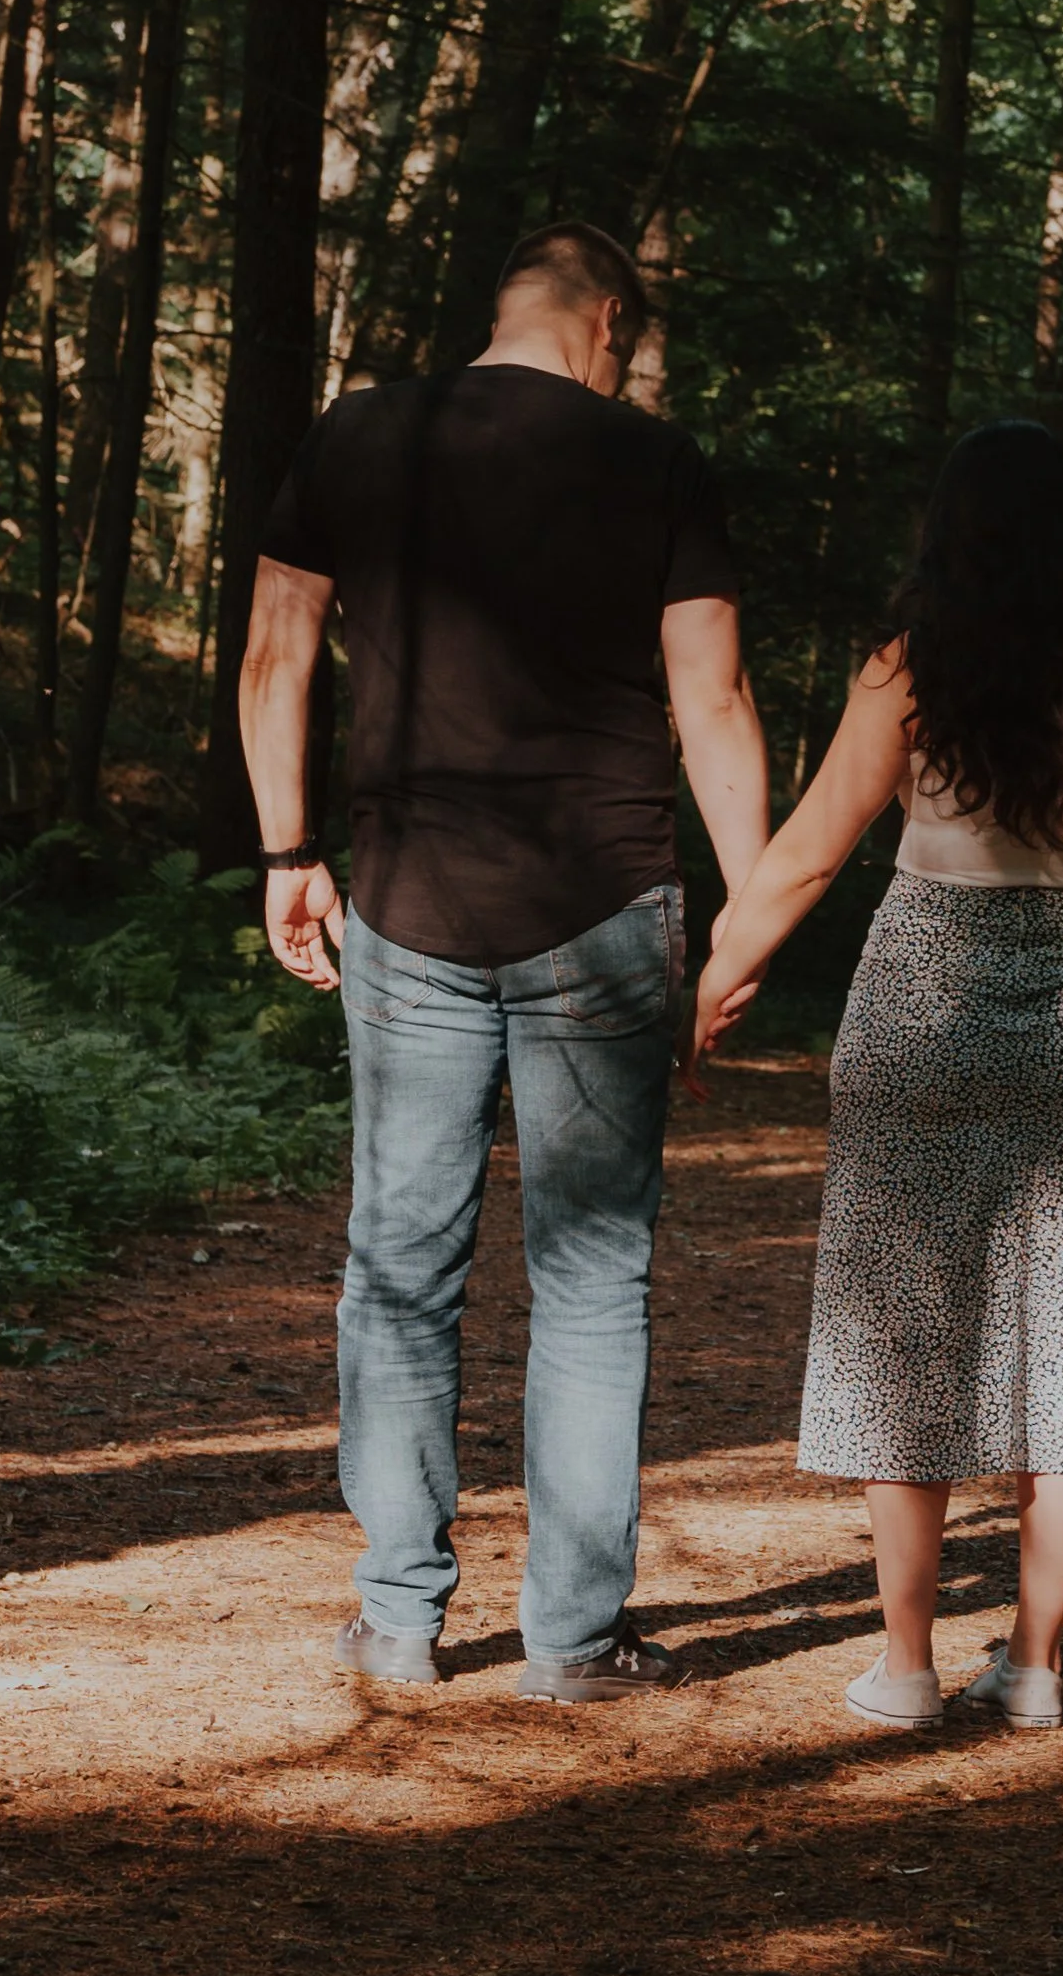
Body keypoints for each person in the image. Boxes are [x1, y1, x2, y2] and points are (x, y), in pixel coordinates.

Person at [239, 223, 770, 1701]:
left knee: (398, 1274)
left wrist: (288, 851)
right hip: (604, 907)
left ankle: (401, 1620)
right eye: (629, 344)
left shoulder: (358, 436)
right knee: (593, 1286)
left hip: (405, 903)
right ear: (604, 320)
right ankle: (572, 1641)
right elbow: (711, 698)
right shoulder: (655, 463)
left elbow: (277, 653)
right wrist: (748, 912)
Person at [689, 419, 1063, 1731]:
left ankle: (903, 1667)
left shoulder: (910, 666)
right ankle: (1032, 1667)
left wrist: (714, 975)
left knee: (904, 1330)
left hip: (922, 994)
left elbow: (806, 853)